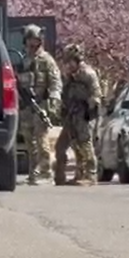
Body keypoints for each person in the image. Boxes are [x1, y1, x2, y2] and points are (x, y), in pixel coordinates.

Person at [18, 25, 62, 185]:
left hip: (41, 104)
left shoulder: (46, 60)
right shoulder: (24, 59)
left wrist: (54, 100)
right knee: (30, 142)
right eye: (29, 39)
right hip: (27, 105)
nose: (32, 42)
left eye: (35, 39)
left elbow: (55, 81)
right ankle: (33, 172)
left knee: (41, 138)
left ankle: (45, 172)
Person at [56, 44, 102, 186]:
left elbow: (97, 94)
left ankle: (90, 175)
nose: (67, 65)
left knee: (85, 144)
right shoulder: (69, 76)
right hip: (72, 114)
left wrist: (89, 111)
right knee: (65, 145)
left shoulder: (88, 74)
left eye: (70, 62)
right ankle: (70, 175)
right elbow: (65, 93)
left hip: (85, 114)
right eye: (66, 62)